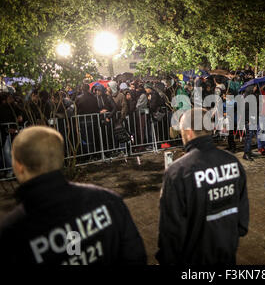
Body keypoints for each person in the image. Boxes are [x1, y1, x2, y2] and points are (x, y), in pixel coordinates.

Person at [0, 126, 147, 264]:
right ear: (61, 158)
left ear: (18, 165)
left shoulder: (11, 235)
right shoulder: (108, 201)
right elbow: (135, 256)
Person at [156, 108, 249, 265]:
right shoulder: (233, 162)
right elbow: (242, 222)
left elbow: (170, 233)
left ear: (189, 132)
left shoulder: (177, 172)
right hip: (226, 255)